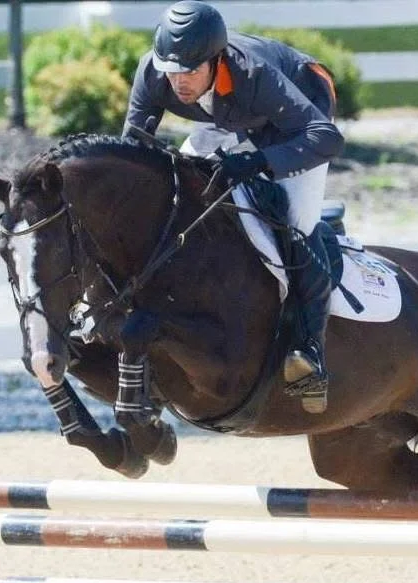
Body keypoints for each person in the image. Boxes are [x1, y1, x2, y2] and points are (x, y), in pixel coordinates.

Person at [122, 0, 344, 413]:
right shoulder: (155, 72)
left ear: (215, 60)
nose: (179, 83)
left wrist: (261, 160)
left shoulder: (253, 75)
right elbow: (131, 151)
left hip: (300, 115)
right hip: (226, 114)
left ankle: (309, 354)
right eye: (172, 71)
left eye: (189, 71)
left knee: (296, 223)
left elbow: (325, 138)